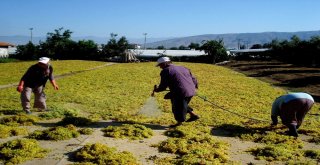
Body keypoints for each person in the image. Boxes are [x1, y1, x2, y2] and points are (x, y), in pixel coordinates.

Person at [152, 57, 199, 127]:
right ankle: (193, 115)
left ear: (164, 64)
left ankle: (179, 123)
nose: (160, 67)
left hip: (181, 91)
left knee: (177, 107)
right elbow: (194, 79)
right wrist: (194, 88)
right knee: (182, 104)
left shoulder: (166, 71)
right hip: (191, 90)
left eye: (160, 65)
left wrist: (157, 90)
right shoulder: (183, 67)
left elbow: (163, 86)